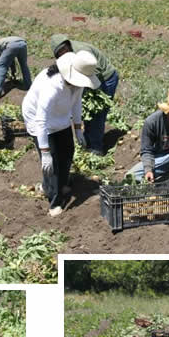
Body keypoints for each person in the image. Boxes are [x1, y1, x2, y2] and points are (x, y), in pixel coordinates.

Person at [22, 50, 99, 218]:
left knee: (68, 151)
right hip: (39, 119)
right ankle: (54, 201)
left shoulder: (76, 84)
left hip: (60, 116)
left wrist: (78, 129)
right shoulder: (52, 87)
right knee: (53, 162)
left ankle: (59, 184)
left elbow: (76, 103)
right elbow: (41, 120)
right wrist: (45, 152)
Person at [50, 34, 119, 156]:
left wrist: (82, 92)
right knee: (87, 111)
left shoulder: (83, 54)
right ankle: (88, 141)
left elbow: (93, 74)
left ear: (67, 46)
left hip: (106, 78)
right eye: (59, 55)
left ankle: (96, 148)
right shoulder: (67, 56)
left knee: (98, 113)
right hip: (91, 78)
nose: (62, 55)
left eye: (63, 51)